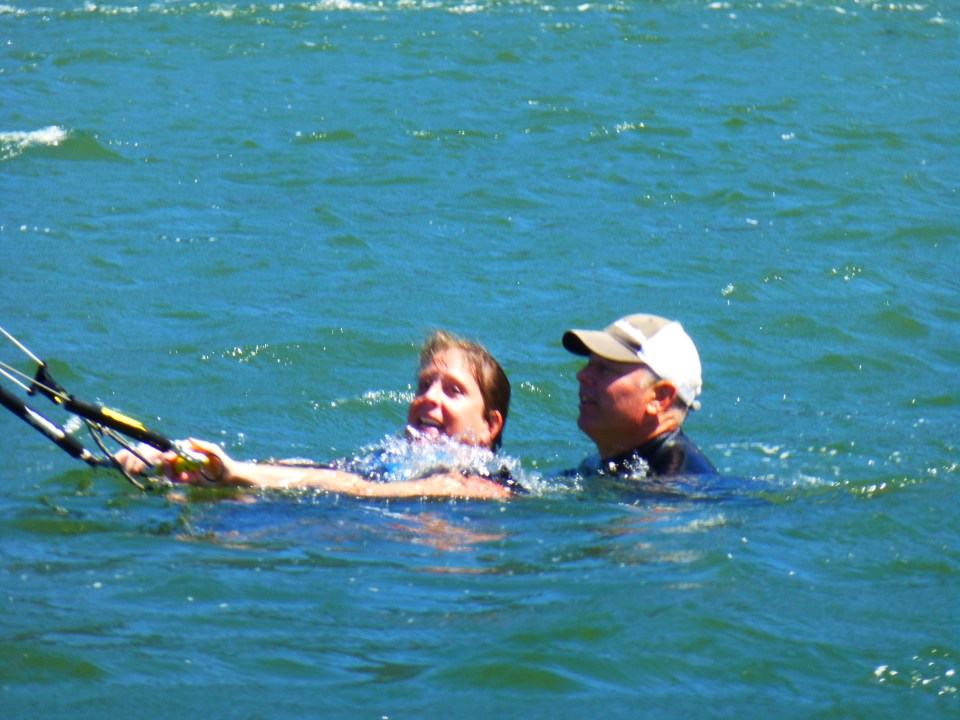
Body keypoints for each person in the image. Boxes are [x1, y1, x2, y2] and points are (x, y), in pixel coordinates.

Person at [117, 330, 523, 499]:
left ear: (490, 425)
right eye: (424, 385)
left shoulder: (481, 487)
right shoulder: (396, 460)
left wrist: (237, 473)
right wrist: (193, 458)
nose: (429, 398)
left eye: (453, 390)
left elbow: (362, 491)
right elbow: (321, 471)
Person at [562, 313, 718, 480]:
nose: (582, 375)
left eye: (605, 369)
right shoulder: (604, 464)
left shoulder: (673, 487)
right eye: (590, 363)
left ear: (659, 398)